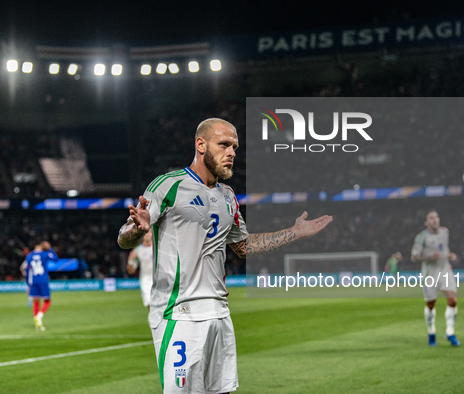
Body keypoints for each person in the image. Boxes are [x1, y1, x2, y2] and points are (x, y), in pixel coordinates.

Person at [118, 118, 333, 394]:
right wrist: (137, 229)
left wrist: (294, 232)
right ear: (201, 144)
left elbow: (243, 247)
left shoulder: (228, 196)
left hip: (220, 314)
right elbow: (124, 237)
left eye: (234, 146)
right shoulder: (167, 186)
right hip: (180, 315)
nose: (231, 152)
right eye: (224, 144)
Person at [410, 209, 459, 347]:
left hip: (445, 270)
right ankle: (431, 332)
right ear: (426, 222)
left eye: (436, 217)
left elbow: (445, 248)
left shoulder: (445, 232)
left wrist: (449, 255)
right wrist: (429, 257)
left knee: (453, 300)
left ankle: (450, 332)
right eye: (431, 218)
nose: (435, 219)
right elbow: (414, 257)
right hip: (430, 274)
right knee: (431, 305)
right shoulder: (421, 237)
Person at [25, 241, 59, 331]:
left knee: (36, 301)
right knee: (47, 301)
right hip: (43, 280)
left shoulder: (29, 256)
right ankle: (39, 316)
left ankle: (38, 324)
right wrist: (49, 248)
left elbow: (27, 271)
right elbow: (56, 259)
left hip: (34, 281)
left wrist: (28, 284)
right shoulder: (45, 254)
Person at [127, 230, 154, 309]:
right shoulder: (137, 250)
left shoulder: (158, 247)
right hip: (146, 281)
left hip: (160, 279)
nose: (148, 235)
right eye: (146, 233)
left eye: (149, 232)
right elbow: (131, 271)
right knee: (150, 304)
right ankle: (153, 321)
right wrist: (130, 261)